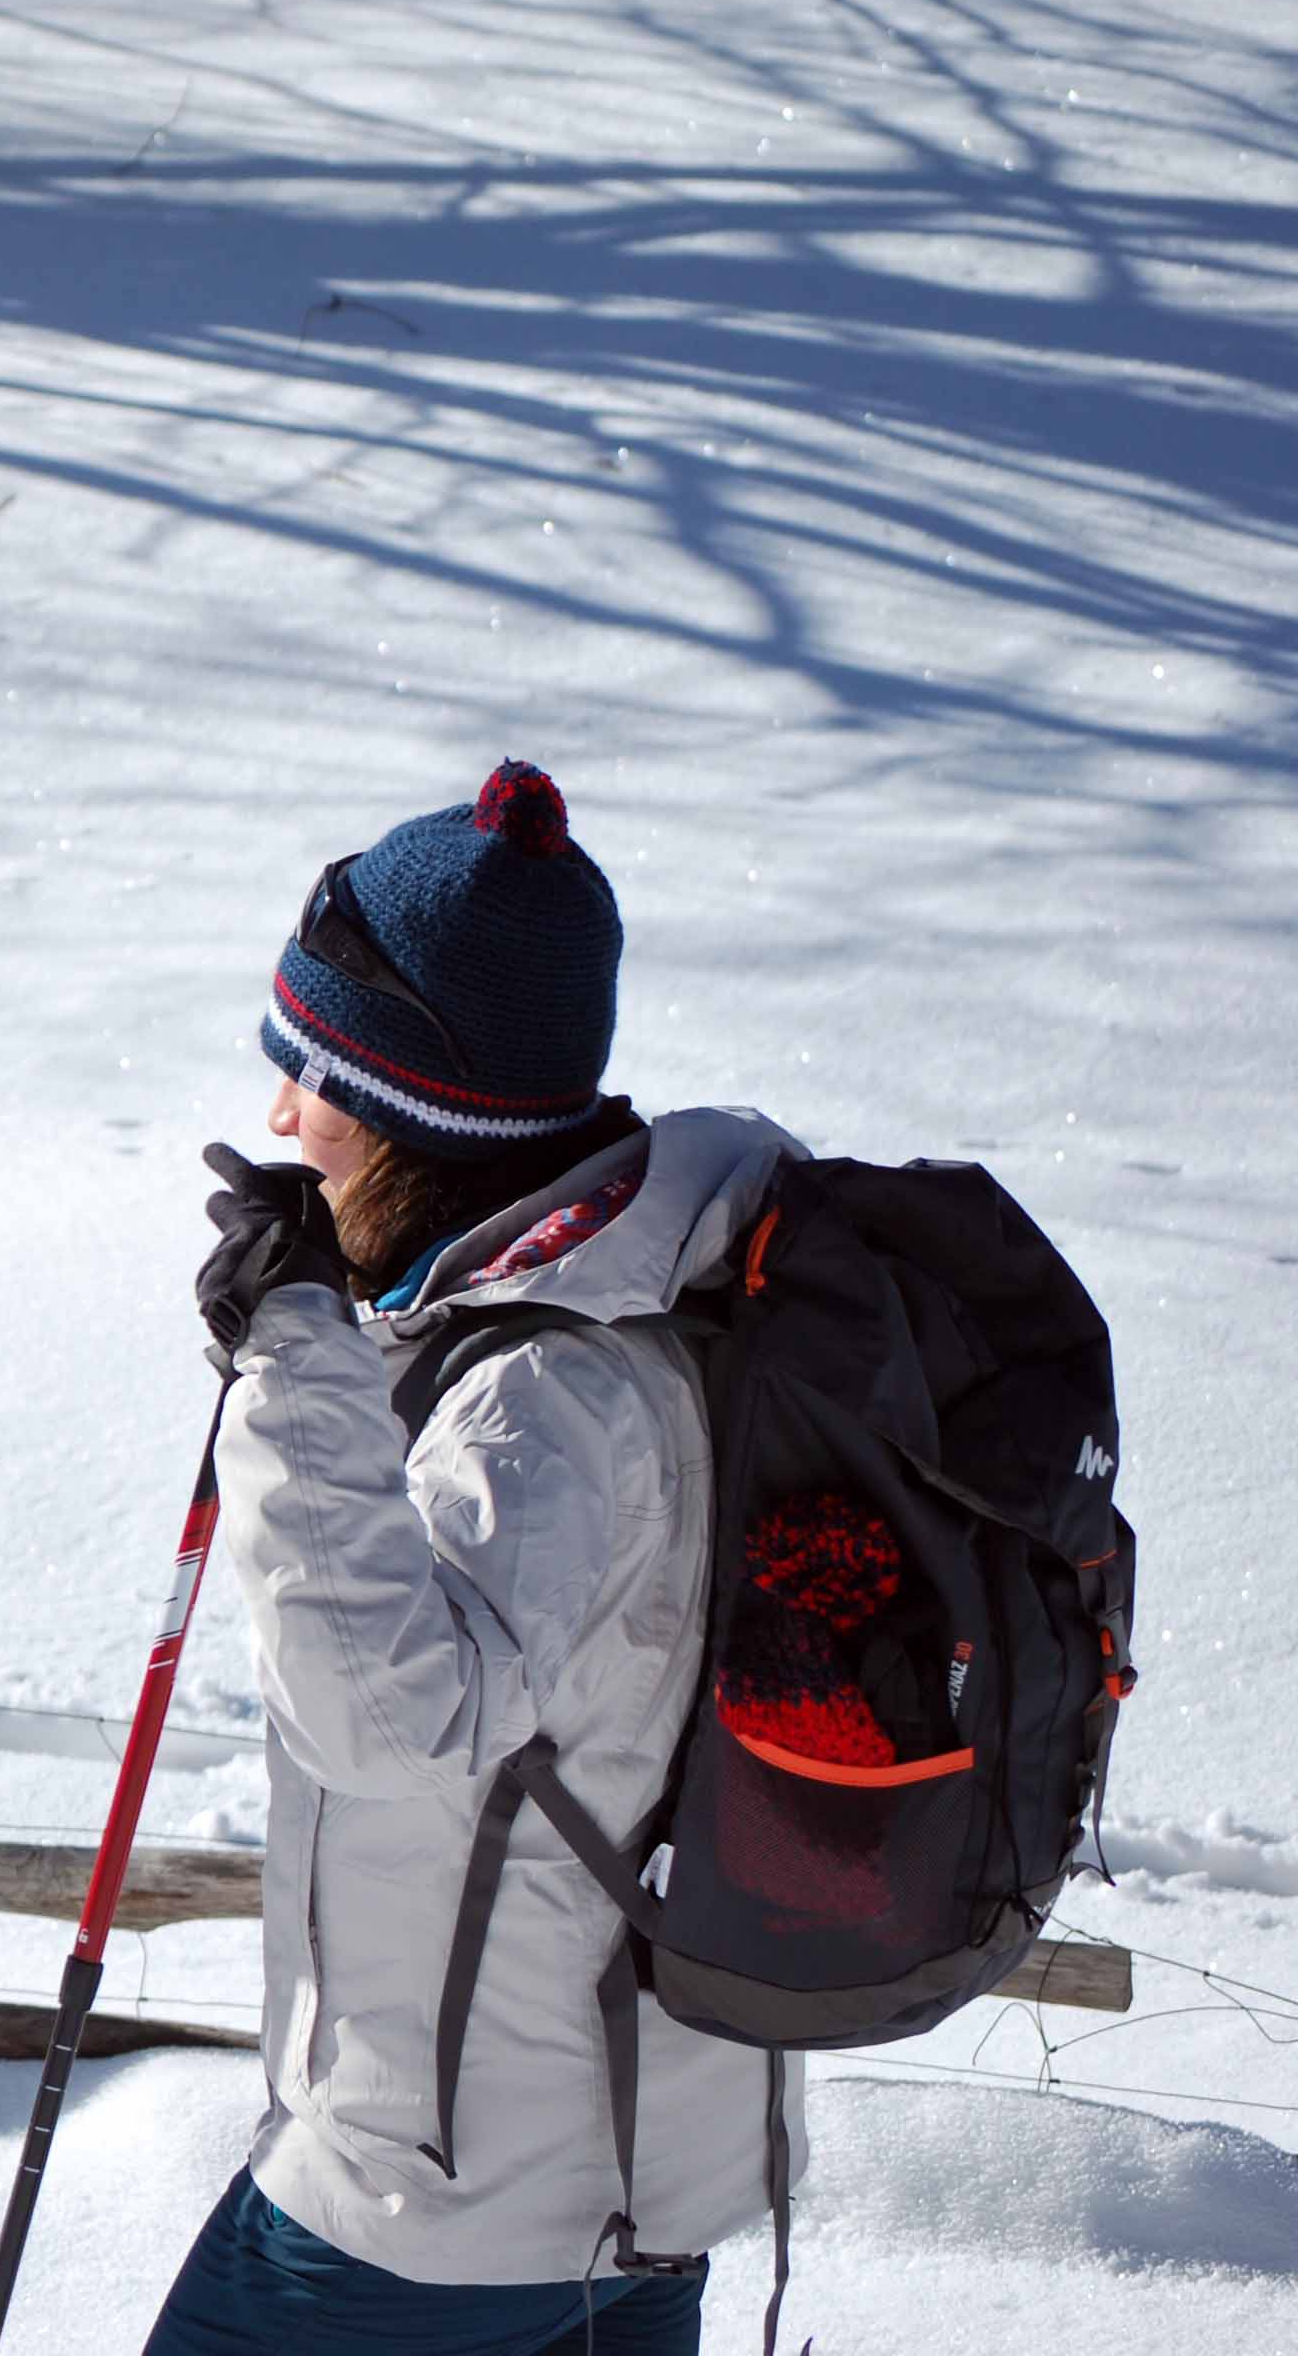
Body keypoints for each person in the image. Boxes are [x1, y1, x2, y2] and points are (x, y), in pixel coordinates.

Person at [151, 762, 808, 2356]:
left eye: (306, 1075)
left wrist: (289, 1351)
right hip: (625, 2181)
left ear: (407, 1111)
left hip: (443, 2213)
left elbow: (386, 1720)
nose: (278, 1119)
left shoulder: (560, 1388)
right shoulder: (662, 1306)